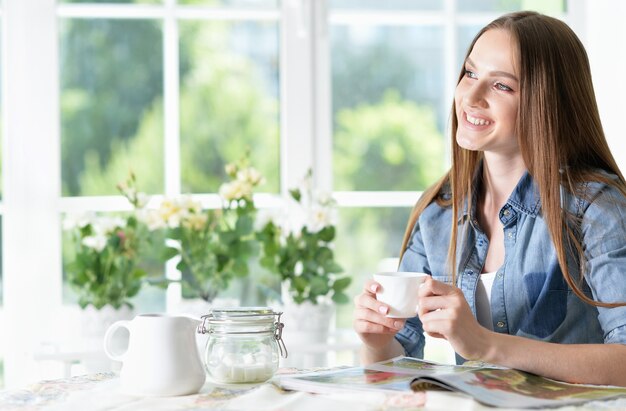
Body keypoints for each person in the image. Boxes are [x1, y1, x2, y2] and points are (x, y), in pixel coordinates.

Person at [353, 11, 626, 387]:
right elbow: (396, 368)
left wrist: (485, 345)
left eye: (501, 86)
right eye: (470, 73)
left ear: (547, 102)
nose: (471, 96)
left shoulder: (596, 207)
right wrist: (376, 340)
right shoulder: (439, 213)